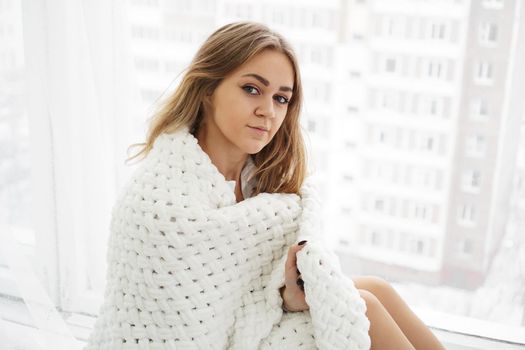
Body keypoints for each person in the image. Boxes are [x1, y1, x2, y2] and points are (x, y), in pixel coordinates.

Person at [85, 21, 445, 350]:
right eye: (252, 89)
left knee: (376, 288)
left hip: (251, 329)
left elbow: (243, 296)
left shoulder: (258, 182)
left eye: (281, 98)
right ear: (208, 89)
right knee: (363, 306)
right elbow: (184, 334)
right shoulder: (161, 206)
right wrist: (277, 303)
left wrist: (287, 297)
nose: (268, 111)